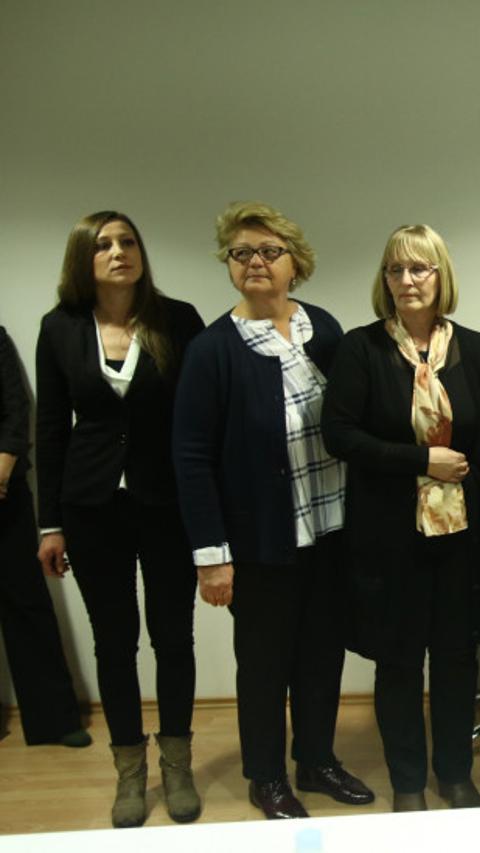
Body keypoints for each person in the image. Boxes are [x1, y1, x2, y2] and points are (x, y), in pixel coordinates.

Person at [172, 201, 372, 820]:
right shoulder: (213, 350)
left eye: (268, 251)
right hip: (261, 543)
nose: (254, 262)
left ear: (295, 262)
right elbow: (191, 458)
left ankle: (316, 760)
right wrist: (211, 556)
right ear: (229, 265)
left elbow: (354, 421)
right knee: (264, 666)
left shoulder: (324, 329)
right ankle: (266, 775)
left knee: (322, 654)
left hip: (331, 529)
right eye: (241, 253)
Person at [34, 211, 205, 826]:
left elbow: (200, 418)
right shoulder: (60, 327)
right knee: (114, 642)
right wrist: (49, 523)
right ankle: (129, 772)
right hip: (91, 506)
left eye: (127, 241)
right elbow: (50, 428)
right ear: (84, 258)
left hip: (167, 504)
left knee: (173, 637)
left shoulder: (177, 319)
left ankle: (177, 764)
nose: (117, 252)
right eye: (103, 244)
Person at [321, 225, 480, 812]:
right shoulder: (361, 349)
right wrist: (422, 460)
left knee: (456, 660)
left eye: (419, 268)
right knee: (398, 664)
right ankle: (408, 782)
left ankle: (455, 774)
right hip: (389, 537)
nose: (406, 280)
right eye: (395, 270)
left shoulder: (475, 349)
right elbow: (340, 435)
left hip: (460, 538)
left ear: (441, 276)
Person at [0, 323, 91, 750]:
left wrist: (3, 468)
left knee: (25, 601)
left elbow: (16, 407)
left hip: (3, 491)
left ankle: (54, 720)